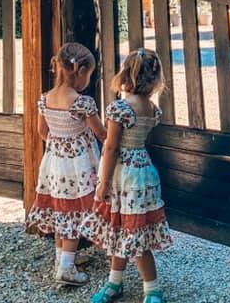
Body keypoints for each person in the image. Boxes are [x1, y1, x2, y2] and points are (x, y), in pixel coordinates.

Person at [87, 47, 172, 303]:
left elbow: (111, 147)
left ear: (126, 75)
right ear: (155, 79)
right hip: (144, 172)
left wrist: (102, 184)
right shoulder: (151, 109)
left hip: (123, 176)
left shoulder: (120, 109)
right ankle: (116, 283)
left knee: (132, 236)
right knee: (126, 231)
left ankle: (152, 290)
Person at [25, 42, 106, 286]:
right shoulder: (83, 103)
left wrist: (59, 147)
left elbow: (42, 131)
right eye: (89, 74)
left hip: (54, 165)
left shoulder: (44, 99)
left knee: (62, 210)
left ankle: (62, 260)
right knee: (72, 214)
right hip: (78, 167)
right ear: (79, 70)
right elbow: (101, 133)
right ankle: (67, 269)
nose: (88, 81)